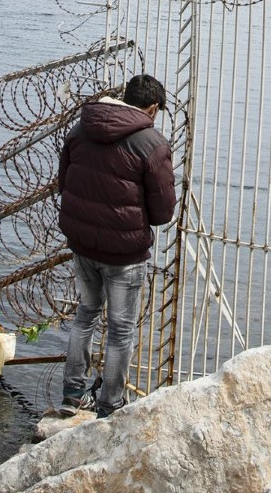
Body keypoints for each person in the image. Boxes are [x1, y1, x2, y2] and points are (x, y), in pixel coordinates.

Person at [52, 73, 175, 419]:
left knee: (86, 313)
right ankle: (110, 406)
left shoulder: (81, 128)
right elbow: (163, 211)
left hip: (82, 244)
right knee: (121, 330)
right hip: (124, 252)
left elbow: (63, 181)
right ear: (153, 107)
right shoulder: (152, 143)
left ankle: (73, 395)